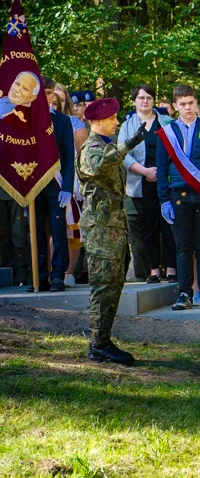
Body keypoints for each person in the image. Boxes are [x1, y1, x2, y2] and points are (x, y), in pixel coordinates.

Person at [76, 97, 146, 365]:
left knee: (114, 285)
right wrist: (127, 145)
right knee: (103, 286)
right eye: (111, 119)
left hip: (115, 229)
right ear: (96, 122)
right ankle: (98, 345)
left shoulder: (106, 145)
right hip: (101, 231)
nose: (116, 123)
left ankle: (102, 340)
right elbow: (98, 166)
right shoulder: (91, 148)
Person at [158, 84, 200, 311]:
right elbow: (161, 169)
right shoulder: (167, 133)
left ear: (196, 103)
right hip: (177, 196)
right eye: (183, 104)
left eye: (191, 103)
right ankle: (185, 293)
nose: (188, 108)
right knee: (182, 247)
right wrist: (164, 200)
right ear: (175, 106)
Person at [119, 84, 176, 284]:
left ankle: (171, 269)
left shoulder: (166, 122)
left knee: (168, 225)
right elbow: (122, 155)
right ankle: (154, 271)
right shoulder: (127, 125)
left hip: (167, 182)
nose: (145, 101)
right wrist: (144, 171)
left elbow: (177, 151)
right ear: (134, 101)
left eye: (149, 97)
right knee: (148, 228)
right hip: (141, 184)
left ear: (153, 100)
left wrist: (163, 172)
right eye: (141, 98)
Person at [27, 77, 75, 293]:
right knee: (35, 232)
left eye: (49, 92)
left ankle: (58, 276)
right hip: (34, 185)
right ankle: (40, 276)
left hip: (57, 185)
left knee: (58, 232)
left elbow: (68, 157)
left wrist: (68, 187)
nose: (46, 97)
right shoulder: (24, 120)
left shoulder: (63, 121)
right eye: (42, 92)